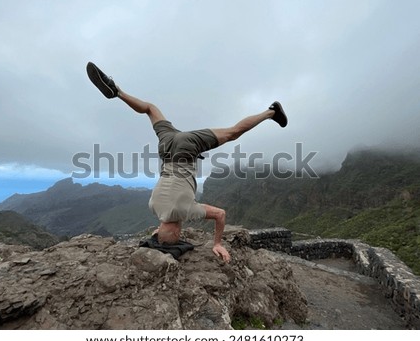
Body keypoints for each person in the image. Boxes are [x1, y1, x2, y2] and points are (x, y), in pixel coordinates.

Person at [86, 62, 288, 263]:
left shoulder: (185, 210)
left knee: (232, 132)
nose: (180, 231)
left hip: (185, 148)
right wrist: (161, 233)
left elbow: (220, 214)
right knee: (150, 108)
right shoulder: (154, 206)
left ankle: (271, 112)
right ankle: (118, 91)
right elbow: (166, 218)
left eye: (178, 233)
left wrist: (217, 243)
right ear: (159, 230)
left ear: (174, 230)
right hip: (166, 147)